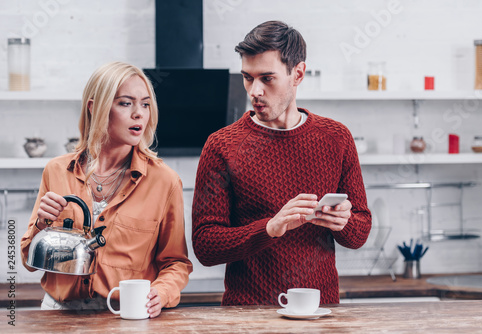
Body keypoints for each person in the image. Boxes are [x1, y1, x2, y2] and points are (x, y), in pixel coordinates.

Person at [191, 21, 371, 306]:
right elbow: (205, 246)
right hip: (247, 317)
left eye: (267, 78)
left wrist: (344, 223)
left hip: (320, 315)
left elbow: (360, 231)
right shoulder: (221, 146)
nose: (255, 91)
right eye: (248, 78)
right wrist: (270, 228)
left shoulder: (337, 138)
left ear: (297, 74)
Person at [21, 62, 192, 317]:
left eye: (145, 104)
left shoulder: (164, 181)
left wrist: (162, 292)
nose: (139, 114)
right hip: (57, 315)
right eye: (126, 103)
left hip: (124, 315)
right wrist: (42, 224)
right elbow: (27, 260)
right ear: (95, 108)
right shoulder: (56, 171)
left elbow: (175, 263)